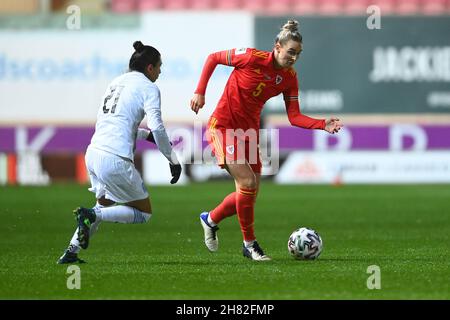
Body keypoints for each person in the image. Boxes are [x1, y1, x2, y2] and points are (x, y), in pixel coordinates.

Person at [190, 20, 342, 261]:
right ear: (277, 47)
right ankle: (249, 245)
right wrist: (200, 91)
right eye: (291, 52)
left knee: (248, 192)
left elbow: (294, 117)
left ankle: (210, 219)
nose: (294, 57)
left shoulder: (290, 77)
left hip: (250, 133)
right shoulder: (250, 57)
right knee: (248, 182)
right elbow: (213, 58)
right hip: (224, 127)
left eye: (298, 54)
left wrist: (322, 124)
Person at [58, 41, 181, 264]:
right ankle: (90, 215)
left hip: (94, 153)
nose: (161, 71)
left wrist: (145, 136)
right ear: (150, 67)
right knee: (143, 213)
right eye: (159, 66)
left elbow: (118, 123)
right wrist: (172, 158)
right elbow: (158, 126)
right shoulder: (149, 87)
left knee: (103, 203)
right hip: (115, 159)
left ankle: (71, 251)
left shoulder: (116, 82)